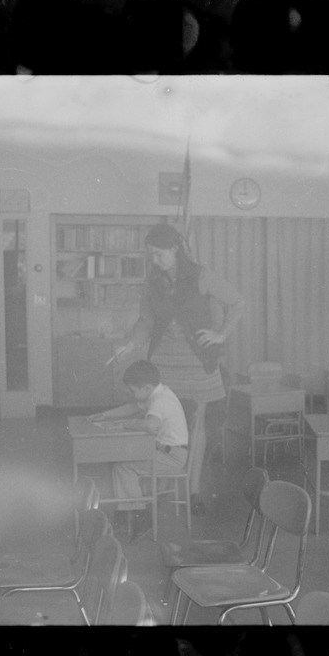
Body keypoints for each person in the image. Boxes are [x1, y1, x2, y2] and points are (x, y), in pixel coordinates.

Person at [112, 223, 244, 516]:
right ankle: (156, 490)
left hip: (197, 363)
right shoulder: (152, 281)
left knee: (196, 428)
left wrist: (221, 334)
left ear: (175, 249)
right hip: (163, 363)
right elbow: (145, 321)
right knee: (158, 423)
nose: (154, 261)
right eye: (150, 255)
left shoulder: (202, 275)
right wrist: (131, 344)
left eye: (158, 254)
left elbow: (237, 302)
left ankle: (193, 491)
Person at [88, 360, 189, 542]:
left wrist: (128, 423)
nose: (132, 395)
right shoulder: (156, 393)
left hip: (171, 457)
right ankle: (125, 512)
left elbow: (151, 426)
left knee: (123, 466)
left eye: (134, 391)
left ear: (147, 387)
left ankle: (139, 516)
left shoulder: (160, 400)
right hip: (165, 452)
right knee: (119, 461)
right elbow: (132, 407)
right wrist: (104, 416)